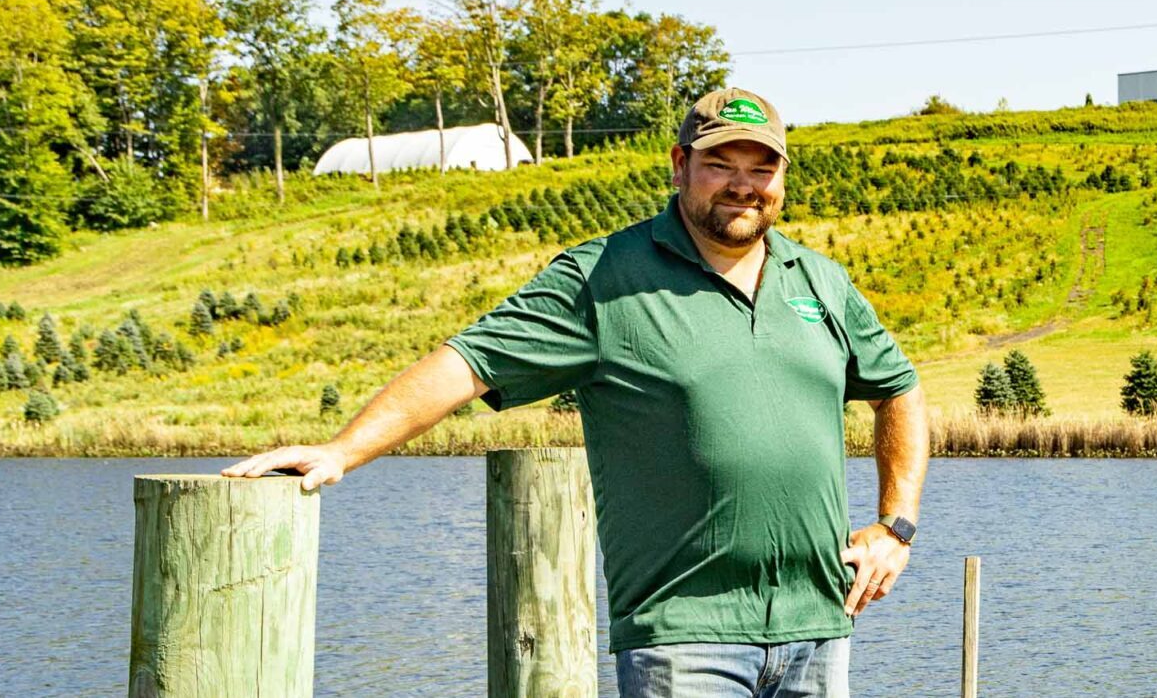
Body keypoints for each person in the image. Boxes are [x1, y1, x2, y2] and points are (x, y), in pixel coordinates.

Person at [224, 88, 928, 698]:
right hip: (686, 641)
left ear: (781, 176)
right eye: (721, 164)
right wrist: (344, 449)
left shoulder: (820, 280)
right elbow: (468, 362)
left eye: (761, 167)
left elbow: (898, 386)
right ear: (680, 164)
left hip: (819, 628)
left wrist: (895, 525)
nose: (743, 185)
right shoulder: (605, 276)